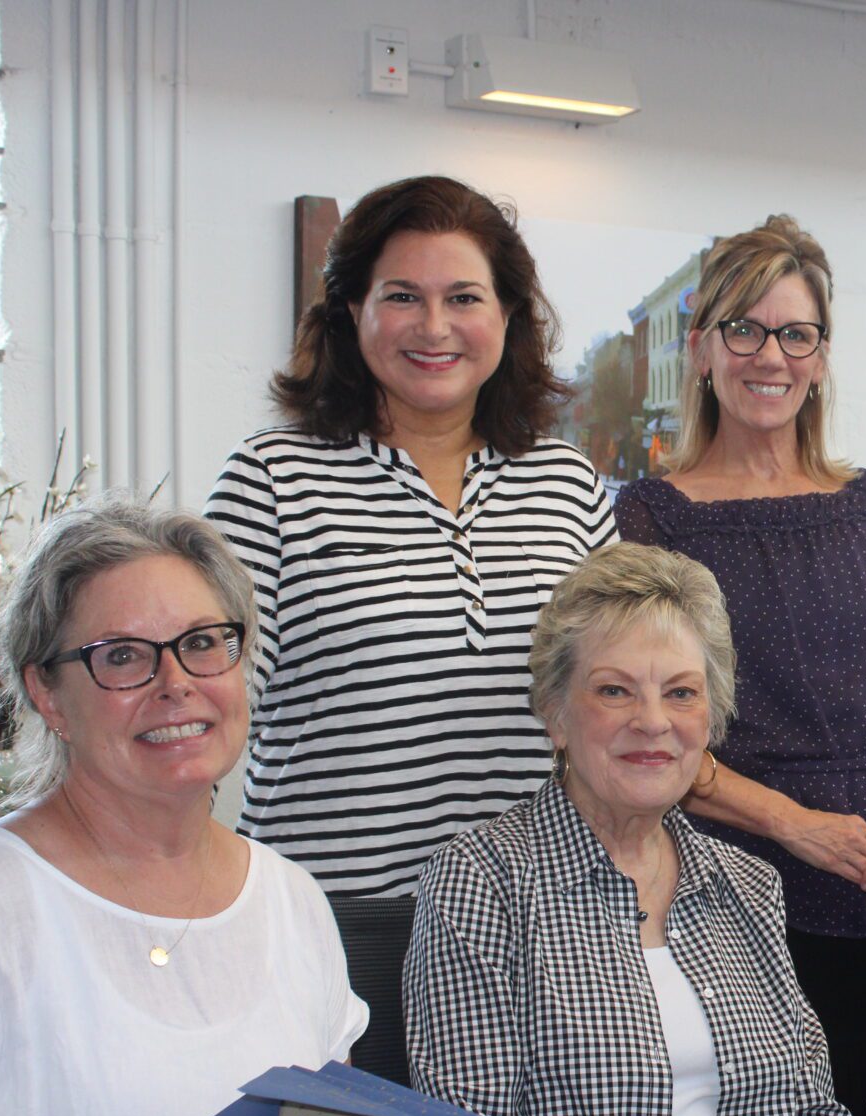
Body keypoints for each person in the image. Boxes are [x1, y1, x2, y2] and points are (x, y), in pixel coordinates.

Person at [0, 496, 367, 1116]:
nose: (175, 683)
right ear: (47, 693)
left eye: (202, 642)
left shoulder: (292, 901)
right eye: (122, 656)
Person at [612, 215, 866, 1116]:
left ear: (821, 356)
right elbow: (651, 733)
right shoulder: (652, 520)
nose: (771, 356)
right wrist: (794, 825)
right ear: (701, 350)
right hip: (729, 891)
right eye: (746, 330)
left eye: (796, 334)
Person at [206, 175, 615, 898]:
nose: (433, 327)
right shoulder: (271, 480)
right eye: (402, 297)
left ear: (507, 313)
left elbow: (618, 697)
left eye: (463, 298)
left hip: (535, 920)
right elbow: (200, 705)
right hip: (333, 921)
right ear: (352, 310)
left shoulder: (567, 483)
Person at [402, 543, 855, 1116]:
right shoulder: (480, 882)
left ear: (710, 720)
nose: (653, 722)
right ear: (555, 715)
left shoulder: (749, 884)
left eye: (681, 693)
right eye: (615, 691)